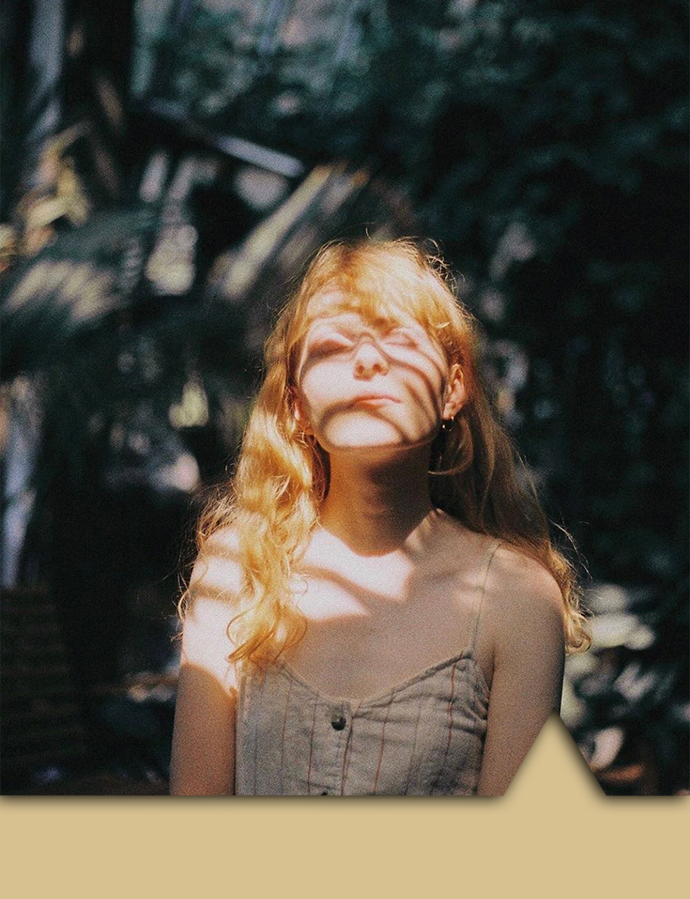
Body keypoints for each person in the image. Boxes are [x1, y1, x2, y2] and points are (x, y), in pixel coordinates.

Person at [169, 237, 590, 796]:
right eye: (334, 344)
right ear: (296, 405)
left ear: (453, 389)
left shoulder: (518, 599)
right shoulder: (235, 572)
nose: (368, 360)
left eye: (399, 337)